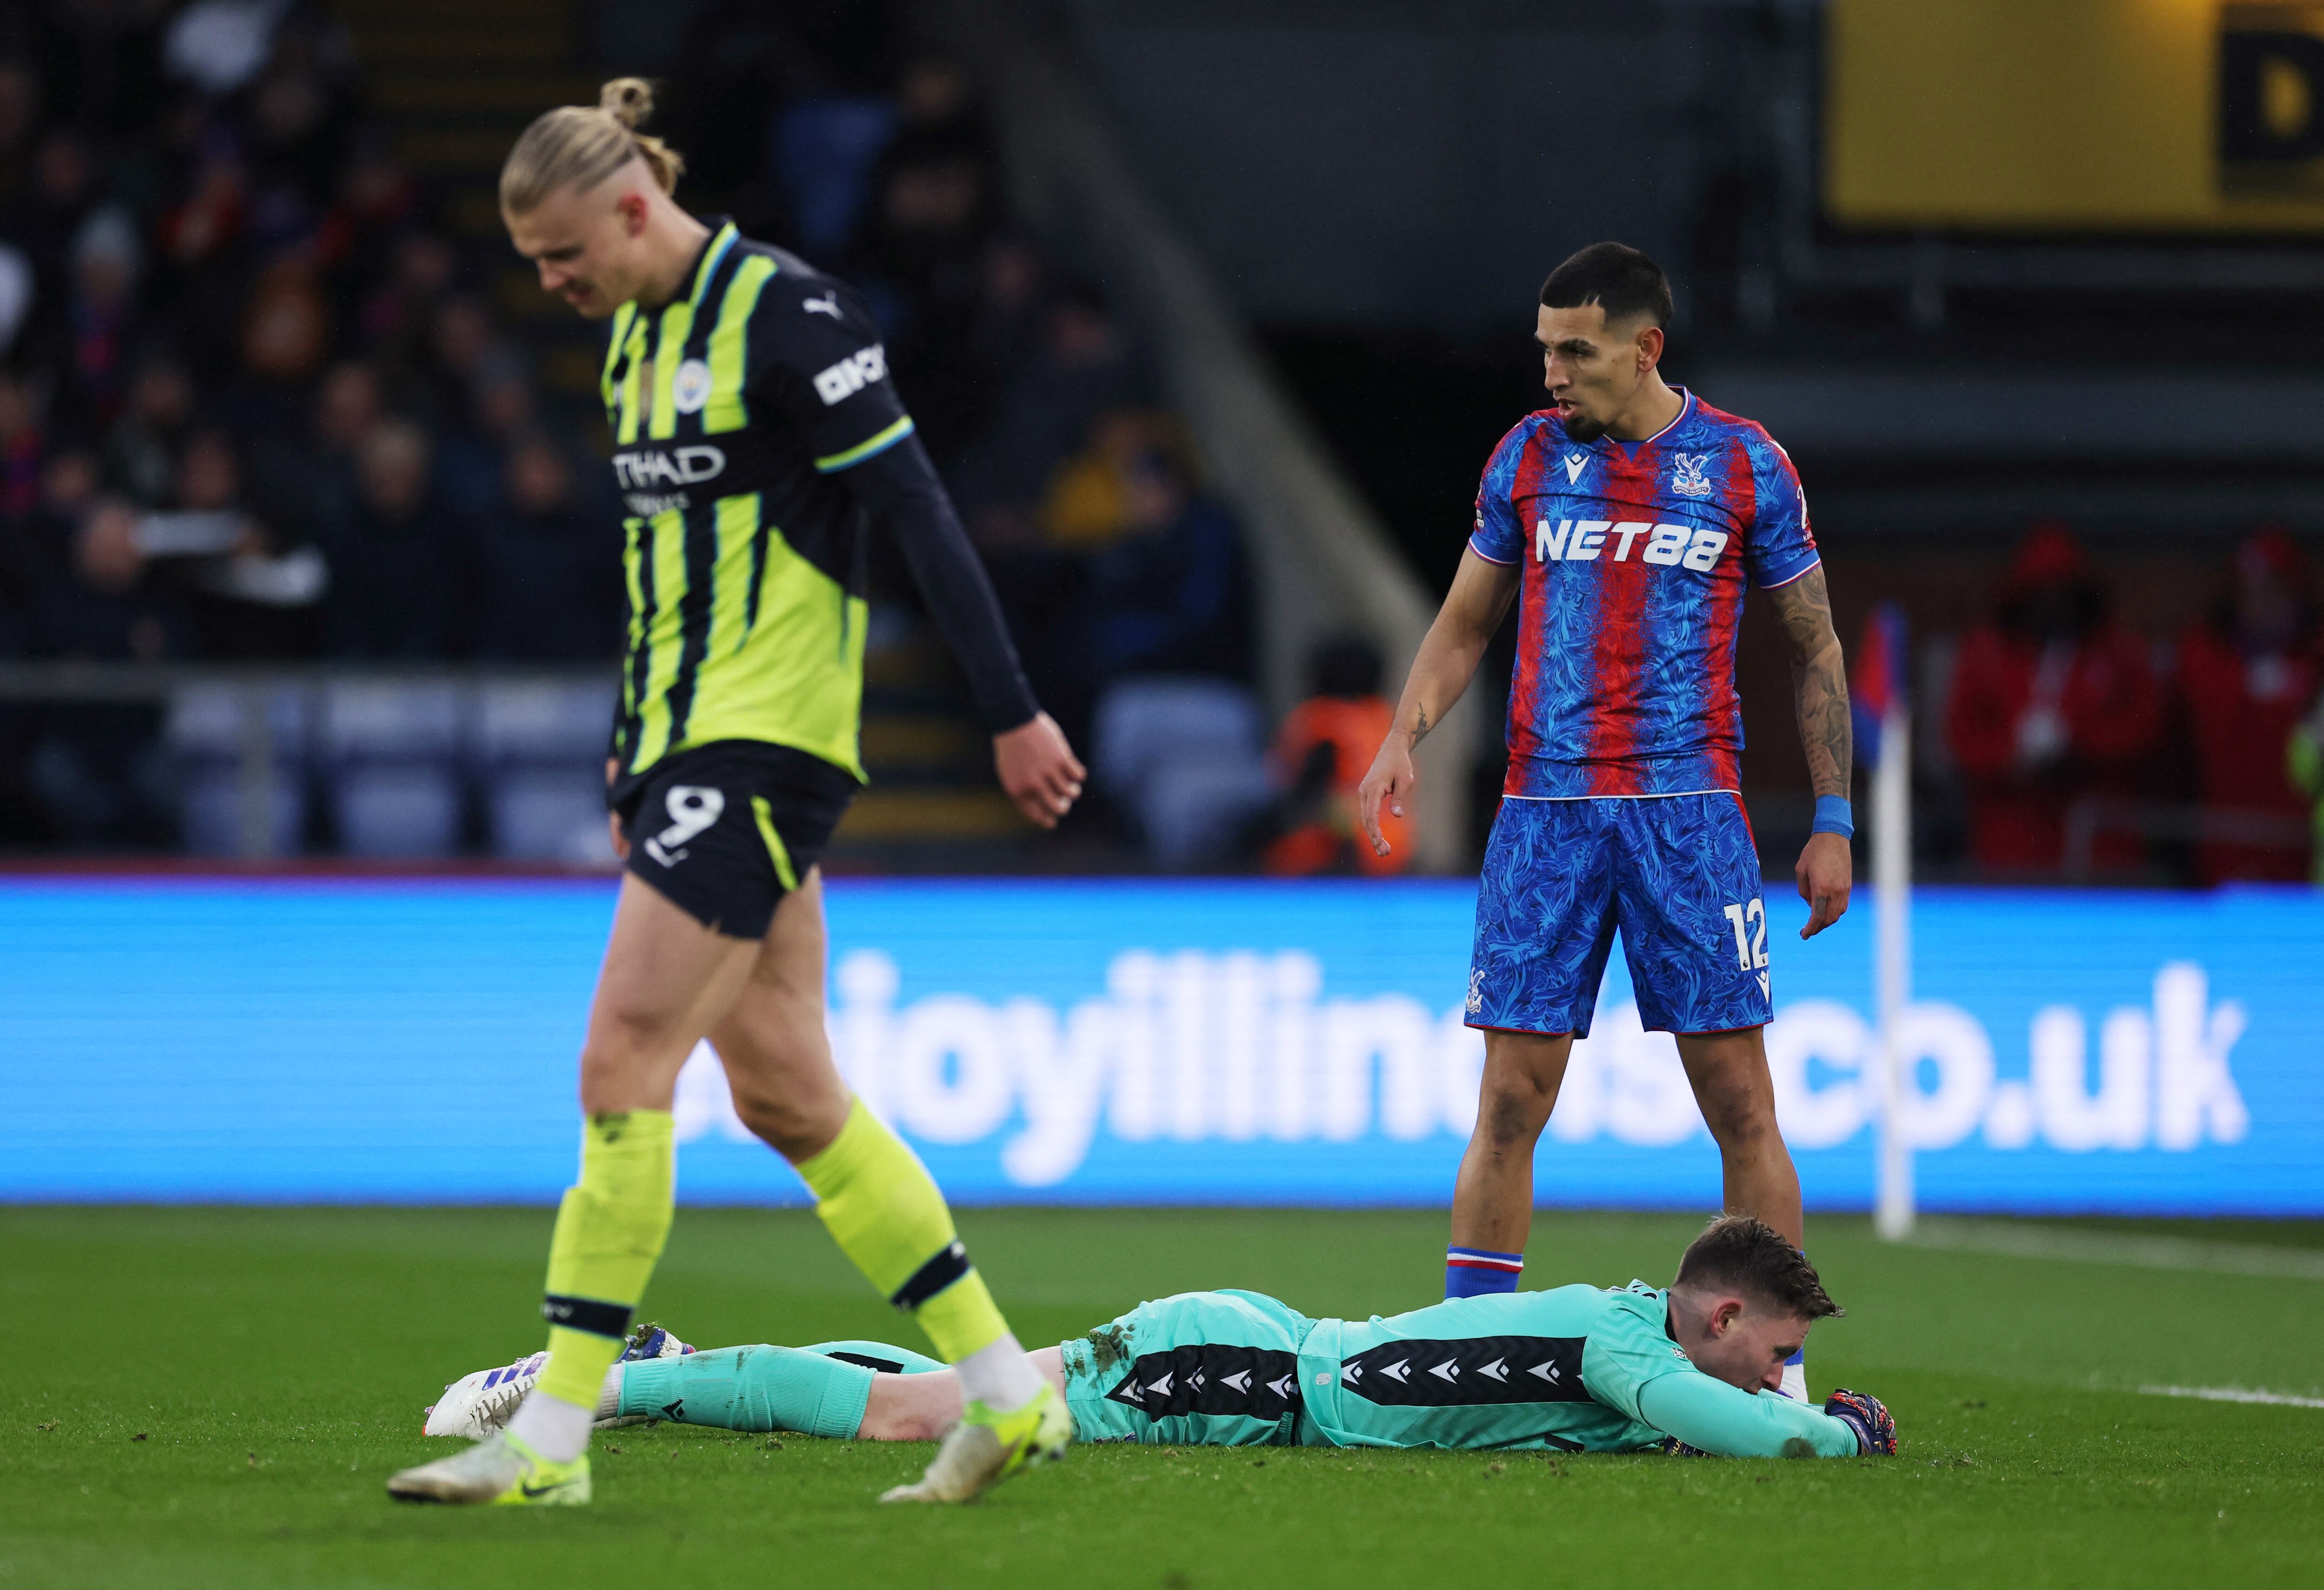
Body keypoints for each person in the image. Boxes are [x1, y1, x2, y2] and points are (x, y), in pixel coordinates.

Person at [387, 79, 1086, 1511]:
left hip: (768, 746)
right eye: (533, 266)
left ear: (637, 207)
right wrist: (627, 750)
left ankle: (554, 1438)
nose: (553, 285)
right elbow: (659, 583)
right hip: (682, 750)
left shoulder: (792, 318)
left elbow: (917, 513)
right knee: (788, 1097)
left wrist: (1008, 710)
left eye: (564, 255)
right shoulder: (633, 346)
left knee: (619, 1063)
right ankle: (1005, 1392)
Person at [1354, 244, 1851, 1405]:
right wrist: (1401, 732)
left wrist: (1831, 816)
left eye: (1574, 350)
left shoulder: (1743, 465)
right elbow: (1466, 623)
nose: (1552, 373)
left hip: (1691, 818)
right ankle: (1459, 1361)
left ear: (1645, 348)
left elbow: (1814, 643)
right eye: (1543, 349)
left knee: (1739, 1102)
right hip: (1545, 817)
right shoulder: (1527, 460)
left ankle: (1770, 1371)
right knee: (1511, 1098)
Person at [419, 1215, 1898, 1464]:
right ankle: (606, 1382)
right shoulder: (1629, 1355)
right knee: (914, 1424)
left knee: (964, 1391)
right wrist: (1822, 1433)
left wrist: (1802, 1413)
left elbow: (1709, 1413)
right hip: (1245, 1379)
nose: (1779, 1373)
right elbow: (1739, 1428)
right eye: (1771, 1351)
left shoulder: (1628, 1335)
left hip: (1253, 1354)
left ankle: (672, 1360)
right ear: (1715, 1317)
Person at [1944, 523, 2163, 876]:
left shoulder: (2119, 651)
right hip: (2009, 841)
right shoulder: (1986, 655)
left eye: (2062, 592)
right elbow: (1962, 738)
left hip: (2099, 841)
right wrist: (2013, 754)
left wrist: (2079, 744)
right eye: (2041, 593)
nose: (2052, 604)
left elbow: (2145, 727)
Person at [2173, 528, 2319, 885]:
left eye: (2273, 591)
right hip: (2223, 846)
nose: (2261, 604)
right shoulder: (2203, 659)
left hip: (2300, 849)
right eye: (2250, 593)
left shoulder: (2316, 661)